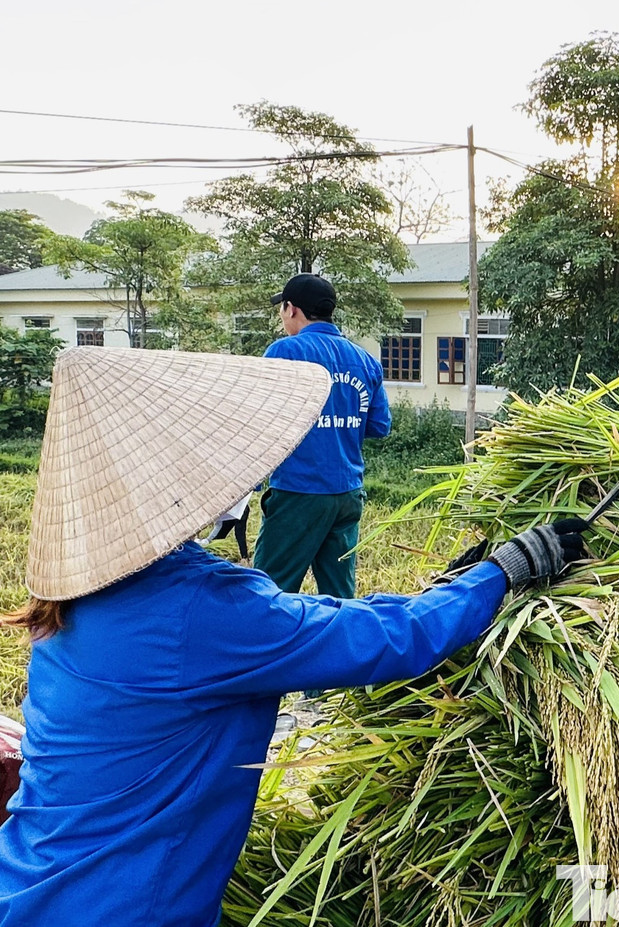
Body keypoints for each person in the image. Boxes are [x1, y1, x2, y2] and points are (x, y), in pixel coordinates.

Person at [0, 346, 588, 926]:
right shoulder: (199, 611)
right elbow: (388, 640)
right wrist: (498, 574)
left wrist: (447, 587)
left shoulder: (76, 595)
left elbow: (309, 620)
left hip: (30, 880)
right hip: (123, 908)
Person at [254, 273, 390, 598]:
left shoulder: (284, 352)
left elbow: (260, 420)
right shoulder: (365, 360)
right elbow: (379, 427)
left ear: (291, 309)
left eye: (282, 308)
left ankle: (270, 648)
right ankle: (343, 647)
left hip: (298, 493)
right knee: (340, 595)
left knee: (269, 593)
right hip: (348, 495)